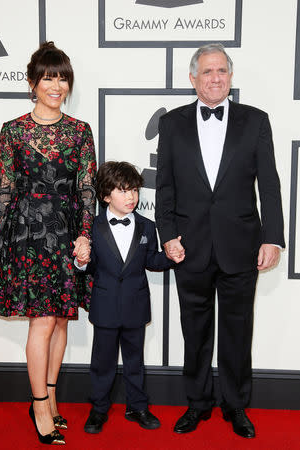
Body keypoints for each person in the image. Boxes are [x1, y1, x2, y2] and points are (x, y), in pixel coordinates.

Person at [155, 43, 285, 439]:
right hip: (189, 246)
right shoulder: (172, 123)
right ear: (193, 78)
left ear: (230, 76)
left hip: (241, 245)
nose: (216, 78)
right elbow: (165, 189)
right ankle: (197, 404)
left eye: (222, 71)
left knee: (237, 331)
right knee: (194, 332)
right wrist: (166, 236)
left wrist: (273, 238)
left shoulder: (256, 121)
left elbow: (271, 184)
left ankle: (235, 405)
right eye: (208, 72)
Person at [0, 41, 96, 445]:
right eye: (48, 78)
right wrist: (4, 244)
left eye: (62, 78)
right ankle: (39, 404)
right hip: (27, 236)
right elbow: (6, 192)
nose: (56, 85)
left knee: (61, 319)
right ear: (32, 83)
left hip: (65, 234)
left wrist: (84, 235)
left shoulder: (80, 131)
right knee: (43, 321)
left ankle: (53, 397)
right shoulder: (12, 131)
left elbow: (86, 190)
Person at [75, 161, 183, 434]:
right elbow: (88, 265)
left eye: (134, 190)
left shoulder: (147, 226)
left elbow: (152, 261)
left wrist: (171, 257)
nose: (131, 197)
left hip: (136, 304)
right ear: (105, 195)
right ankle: (99, 410)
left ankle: (138, 407)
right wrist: (81, 261)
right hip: (104, 305)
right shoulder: (93, 227)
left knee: (135, 361)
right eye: (123, 190)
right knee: (102, 363)